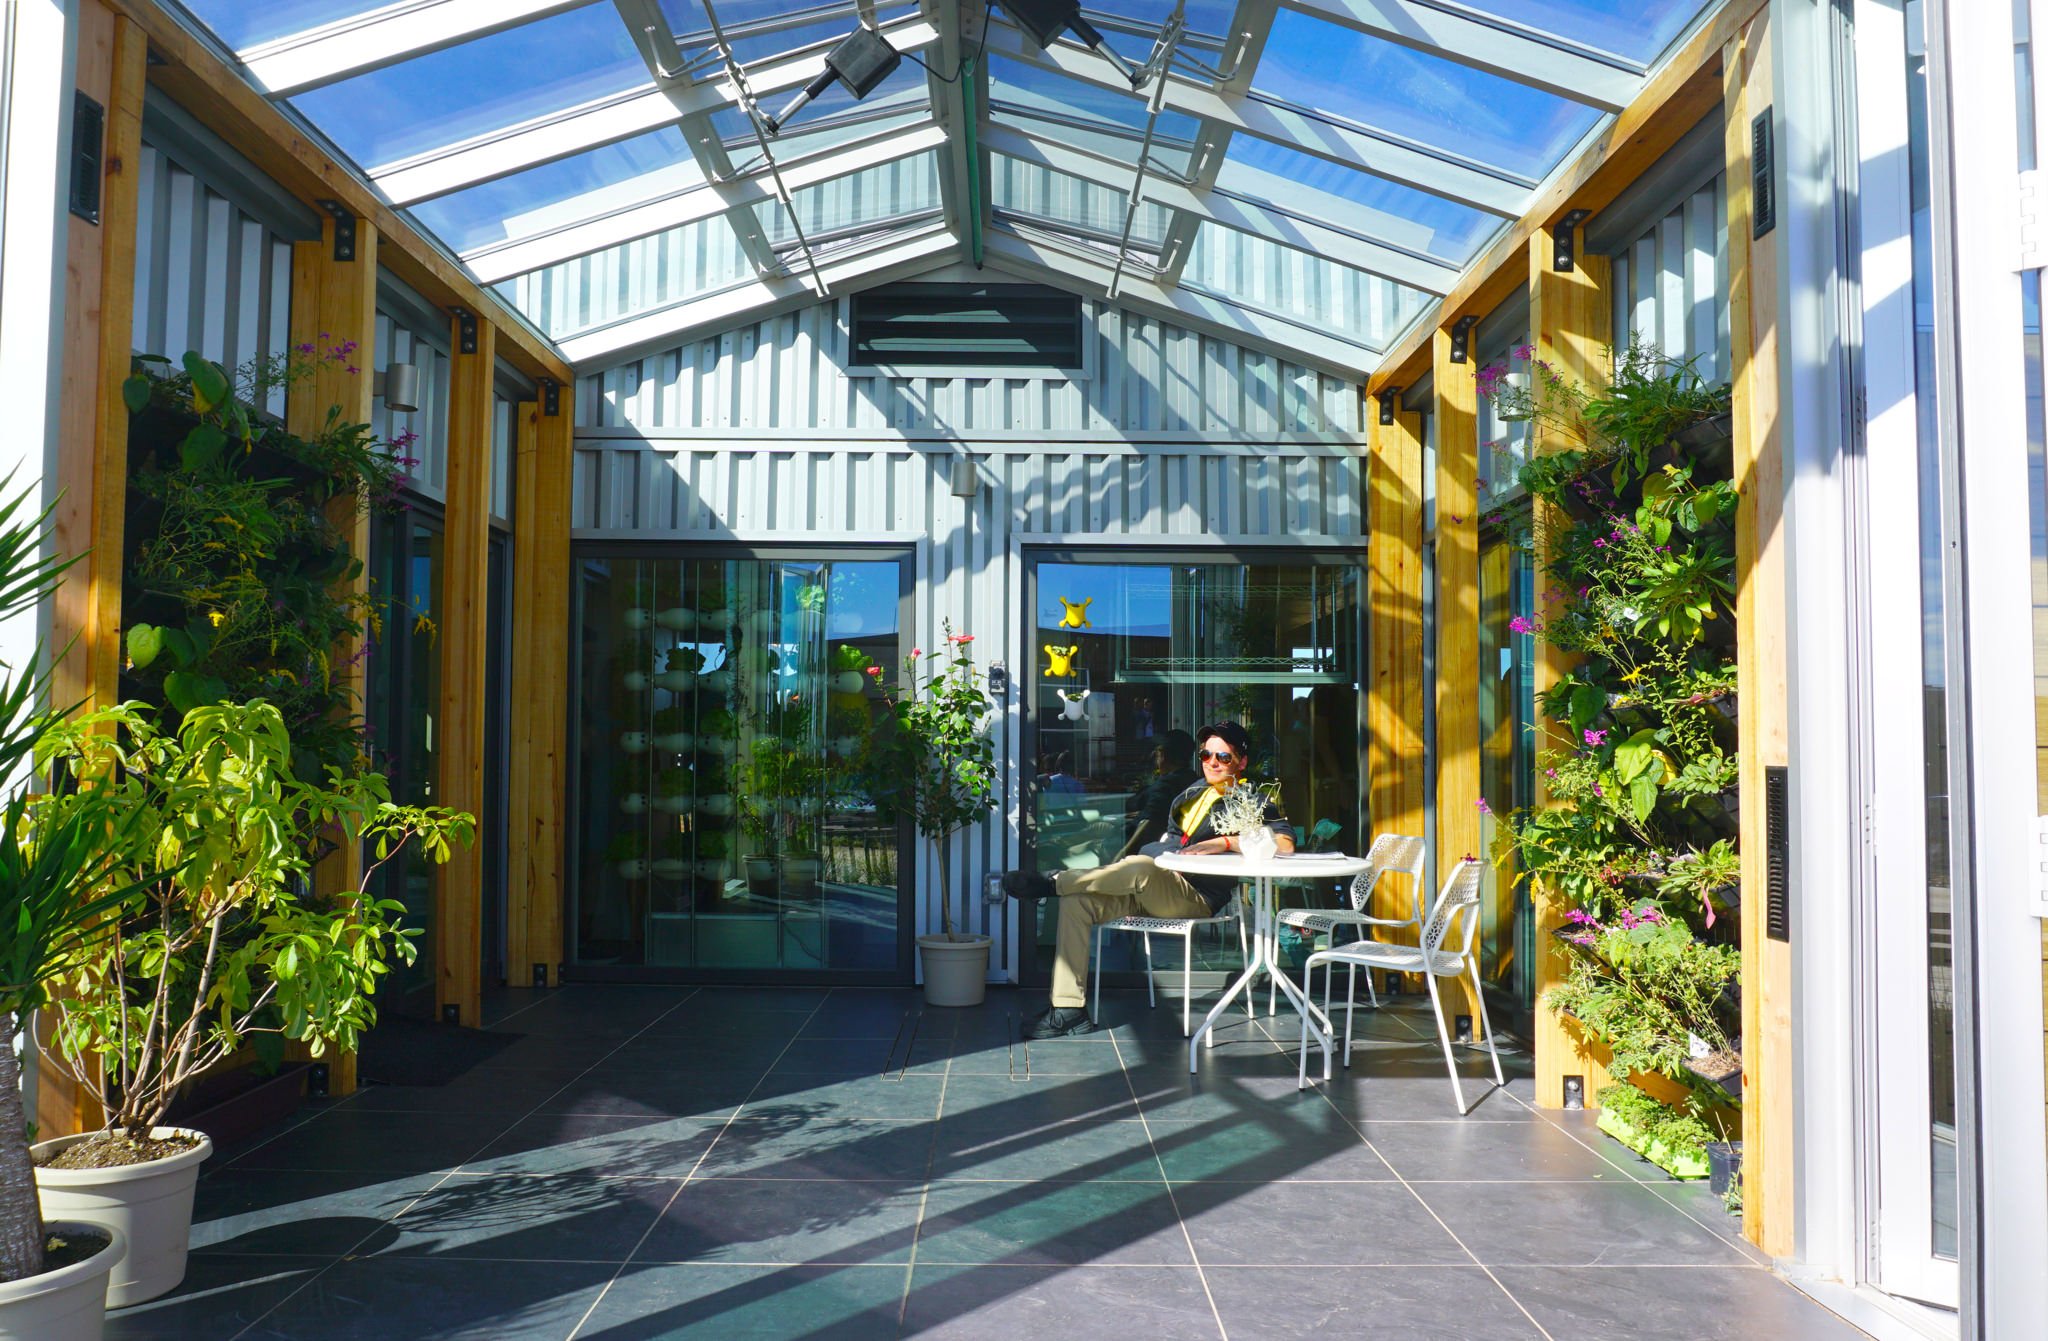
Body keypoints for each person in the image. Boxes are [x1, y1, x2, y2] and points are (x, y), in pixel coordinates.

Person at [1002, 721, 1293, 1038]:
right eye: (1206, 754)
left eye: (1223, 757)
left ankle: (1053, 883)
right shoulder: (1190, 794)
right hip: (1155, 885)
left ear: (1241, 761)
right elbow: (1169, 840)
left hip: (1195, 897)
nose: (1212, 762)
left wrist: (1226, 842)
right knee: (1078, 902)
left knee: (1139, 866)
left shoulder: (1252, 800)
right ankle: (1068, 1010)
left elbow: (1285, 845)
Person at [1115, 728, 1199, 859]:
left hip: (1136, 851)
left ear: (1163, 756)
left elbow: (1146, 824)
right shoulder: (1194, 782)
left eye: (1157, 752)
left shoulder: (1164, 787)